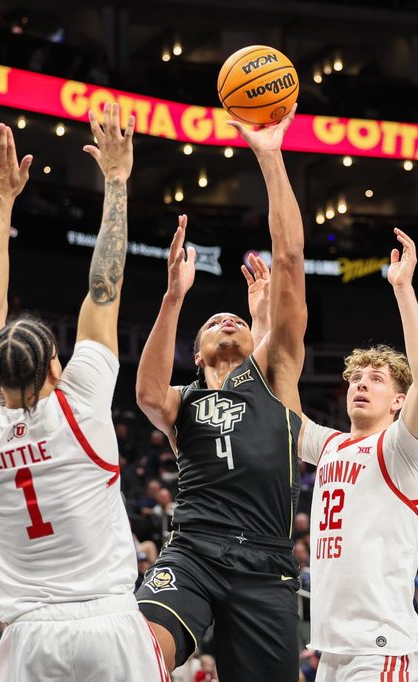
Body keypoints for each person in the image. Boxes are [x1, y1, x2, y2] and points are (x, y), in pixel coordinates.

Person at [0, 114, 164, 681]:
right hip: (109, 626)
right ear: (55, 366)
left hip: (27, 637)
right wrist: (116, 182)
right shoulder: (80, 405)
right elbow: (105, 289)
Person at [134, 105, 307, 680]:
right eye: (213, 322)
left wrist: (269, 154)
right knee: (136, 652)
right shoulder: (182, 399)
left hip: (267, 564)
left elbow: (288, 260)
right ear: (196, 351)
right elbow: (147, 393)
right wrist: (173, 298)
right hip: (194, 550)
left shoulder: (275, 374)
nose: (226, 321)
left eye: (237, 317)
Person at [298, 228, 418, 682]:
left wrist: (403, 289)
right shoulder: (331, 445)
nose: (360, 383)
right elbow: (279, 409)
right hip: (333, 649)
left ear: (399, 400)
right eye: (356, 377)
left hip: (381, 649)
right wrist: (264, 321)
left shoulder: (400, 448)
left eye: (376, 378)